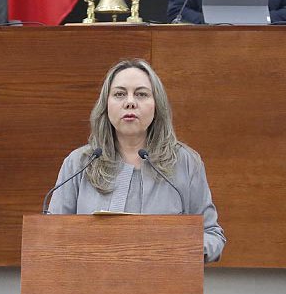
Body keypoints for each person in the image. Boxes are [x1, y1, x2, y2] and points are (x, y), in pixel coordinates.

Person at [48, 59, 226, 263]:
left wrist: (179, 248)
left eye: (141, 94)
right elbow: (51, 234)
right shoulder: (79, 163)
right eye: (119, 94)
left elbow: (212, 235)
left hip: (163, 279)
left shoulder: (185, 163)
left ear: (157, 105)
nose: (130, 102)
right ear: (105, 105)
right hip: (91, 280)